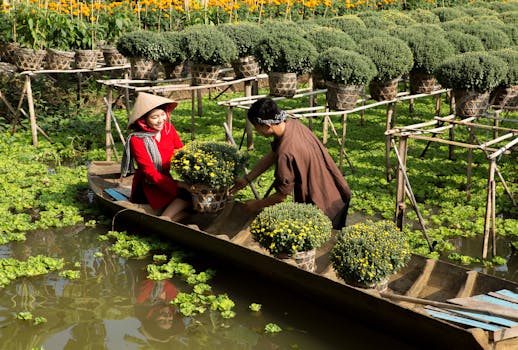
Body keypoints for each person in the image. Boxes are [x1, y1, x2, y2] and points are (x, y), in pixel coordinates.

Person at [232, 98, 351, 230]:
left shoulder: (286, 152)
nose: (256, 131)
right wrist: (247, 180)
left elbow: (281, 196)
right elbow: (272, 155)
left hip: (325, 208)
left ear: (266, 126)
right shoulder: (291, 125)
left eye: (256, 127)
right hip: (339, 193)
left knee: (320, 247)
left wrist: (256, 205)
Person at [121, 92, 190, 220]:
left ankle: (170, 218)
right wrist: (178, 185)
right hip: (150, 185)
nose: (160, 120)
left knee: (193, 195)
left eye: (163, 115)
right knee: (185, 196)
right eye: (154, 117)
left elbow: (182, 152)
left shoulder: (168, 129)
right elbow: (149, 172)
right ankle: (165, 219)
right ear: (143, 120)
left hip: (169, 178)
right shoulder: (137, 139)